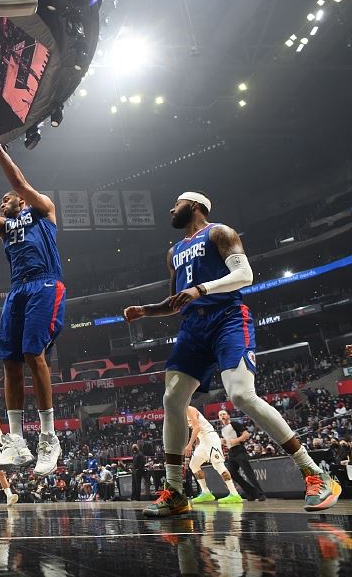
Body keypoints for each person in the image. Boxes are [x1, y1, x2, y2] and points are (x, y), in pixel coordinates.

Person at [122, 191, 340, 516]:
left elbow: (244, 275)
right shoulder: (174, 252)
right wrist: (147, 310)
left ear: (195, 206)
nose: (171, 209)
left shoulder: (220, 232)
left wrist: (202, 289)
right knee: (172, 400)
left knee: (241, 395)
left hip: (227, 319)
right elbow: (177, 301)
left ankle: (314, 472)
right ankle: (176, 492)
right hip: (193, 328)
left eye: (177, 204)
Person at [0, 118, 65, 476]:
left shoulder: (43, 211)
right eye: (2, 200)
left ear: (21, 201)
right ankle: (18, 442)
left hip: (45, 283)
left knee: (33, 352)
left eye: (6, 199)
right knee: (9, 362)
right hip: (17, 290)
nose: (2, 201)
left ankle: (49, 437)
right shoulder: (5, 229)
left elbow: (19, 183)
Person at [185, 406, 241, 504]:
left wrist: (190, 445)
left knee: (219, 466)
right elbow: (196, 429)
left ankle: (234, 494)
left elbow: (197, 428)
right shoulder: (182, 414)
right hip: (203, 441)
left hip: (210, 438)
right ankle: (206, 493)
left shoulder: (190, 409)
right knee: (193, 465)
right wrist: (197, 443)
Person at [218, 409, 266, 501]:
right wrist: (223, 442)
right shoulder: (222, 429)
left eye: (224, 414)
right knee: (231, 473)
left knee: (248, 472)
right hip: (231, 452)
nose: (222, 416)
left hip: (239, 449)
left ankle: (260, 494)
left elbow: (246, 434)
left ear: (228, 416)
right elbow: (228, 441)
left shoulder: (234, 424)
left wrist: (236, 440)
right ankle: (251, 492)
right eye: (220, 415)